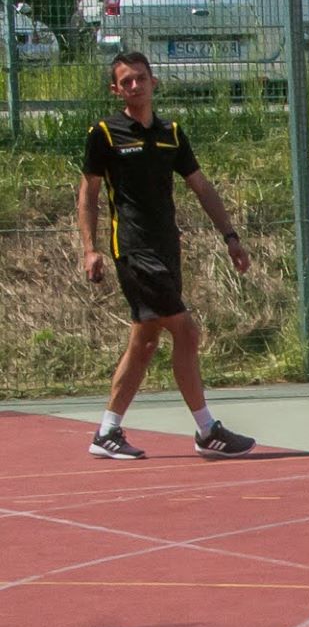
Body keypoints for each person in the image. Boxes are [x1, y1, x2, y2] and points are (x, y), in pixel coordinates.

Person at [77, 51, 256, 461]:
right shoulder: (105, 133)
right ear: (115, 89)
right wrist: (90, 249)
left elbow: (200, 186)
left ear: (154, 82)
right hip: (133, 251)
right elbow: (88, 192)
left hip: (166, 250)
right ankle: (207, 429)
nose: (135, 86)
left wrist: (230, 236)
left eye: (140, 78)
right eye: (126, 82)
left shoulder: (171, 133)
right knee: (186, 332)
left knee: (144, 341)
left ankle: (107, 431)